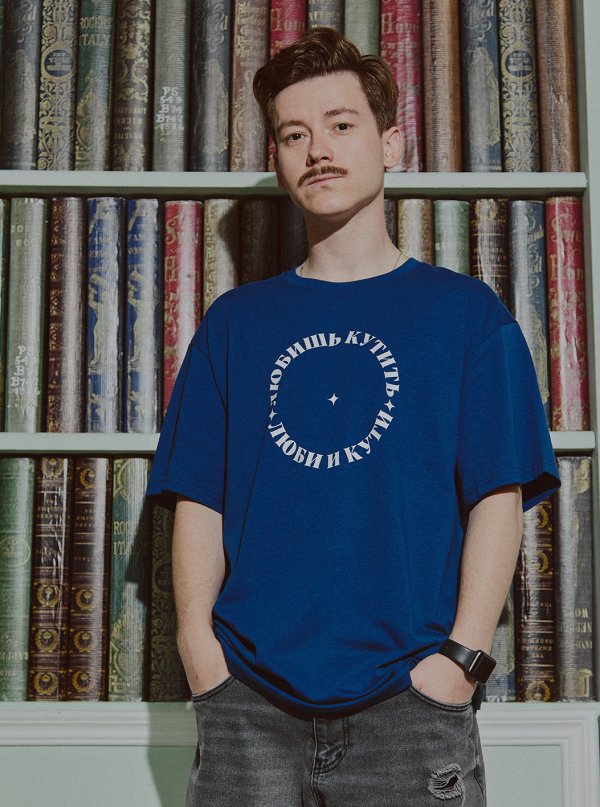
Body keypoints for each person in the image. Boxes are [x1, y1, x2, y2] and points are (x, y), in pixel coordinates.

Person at [147, 26, 560, 807]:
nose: (318, 150)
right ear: (278, 160)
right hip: (248, 701)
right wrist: (199, 650)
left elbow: (497, 496)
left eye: (341, 124)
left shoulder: (465, 316)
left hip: (411, 704)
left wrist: (460, 662)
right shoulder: (234, 324)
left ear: (391, 144)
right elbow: (199, 495)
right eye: (293, 134)